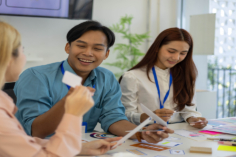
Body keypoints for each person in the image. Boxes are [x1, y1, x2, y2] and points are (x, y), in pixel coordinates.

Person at [0, 20, 121, 157]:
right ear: (7, 59)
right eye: (22, 49)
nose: (88, 53)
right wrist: (72, 112)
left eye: (97, 48)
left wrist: (79, 148)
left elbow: (22, 142)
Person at [14, 20, 174, 146]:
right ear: (68, 47)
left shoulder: (106, 78)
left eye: (97, 48)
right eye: (81, 46)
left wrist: (140, 132)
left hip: (84, 147)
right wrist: (68, 103)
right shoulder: (36, 76)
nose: (88, 53)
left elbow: (112, 117)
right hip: (39, 148)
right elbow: (36, 130)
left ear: (106, 54)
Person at [119, 27, 208, 129]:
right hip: (146, 132)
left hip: (179, 131)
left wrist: (193, 118)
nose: (176, 58)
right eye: (171, 51)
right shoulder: (133, 77)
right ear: (157, 47)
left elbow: (188, 109)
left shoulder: (185, 75)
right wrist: (147, 116)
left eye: (183, 53)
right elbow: (124, 115)